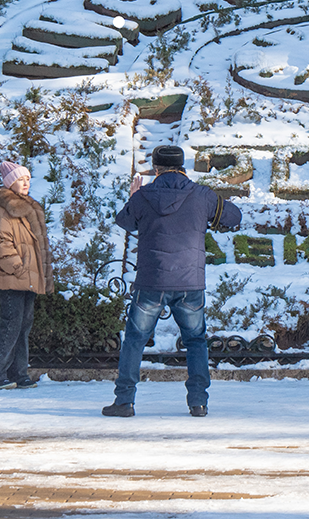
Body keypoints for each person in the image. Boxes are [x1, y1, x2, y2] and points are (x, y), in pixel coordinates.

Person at [103, 144, 241, 418]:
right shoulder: (201, 195)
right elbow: (234, 216)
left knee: (134, 341)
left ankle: (124, 401)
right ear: (183, 166)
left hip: (151, 282)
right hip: (189, 282)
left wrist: (133, 197)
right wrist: (211, 210)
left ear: (156, 168)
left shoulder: (144, 195)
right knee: (195, 341)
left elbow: (125, 222)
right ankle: (198, 403)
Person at [0, 160, 50, 390]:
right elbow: (1, 245)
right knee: (11, 326)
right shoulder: (4, 212)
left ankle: (18, 374)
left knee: (23, 327)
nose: (26, 183)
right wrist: (19, 269)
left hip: (26, 280)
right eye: (21, 179)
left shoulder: (25, 211)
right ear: (9, 183)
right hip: (12, 278)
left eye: (28, 179)